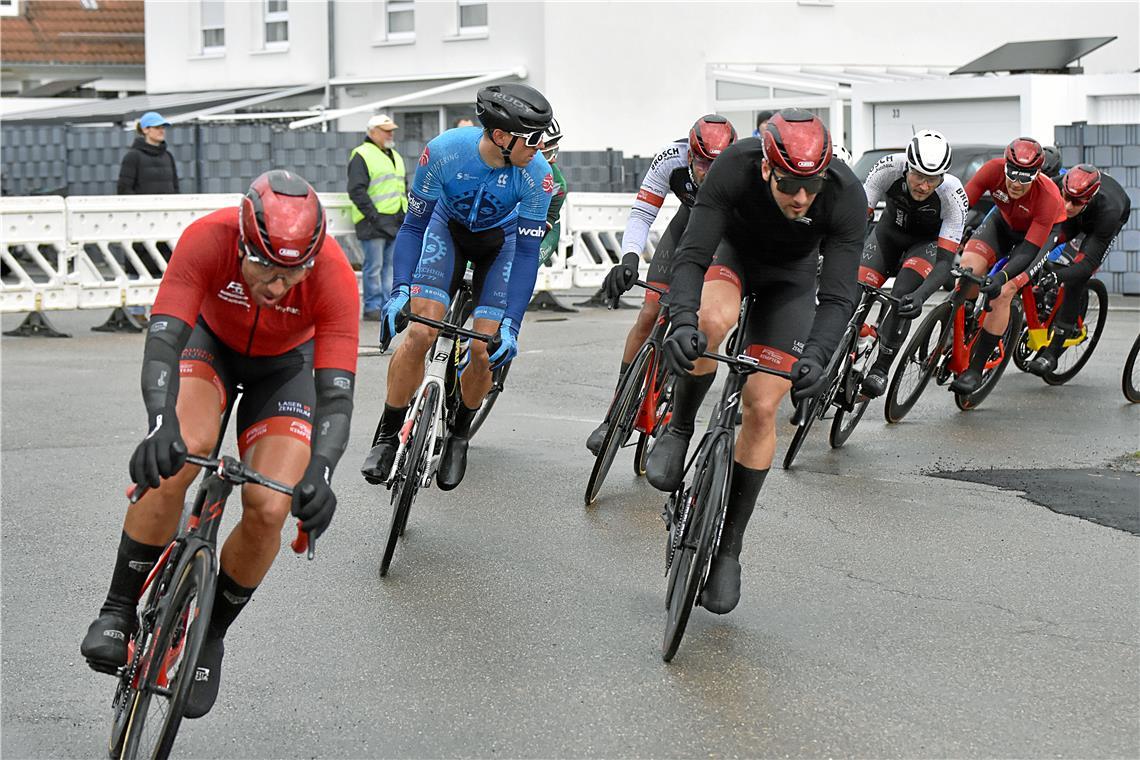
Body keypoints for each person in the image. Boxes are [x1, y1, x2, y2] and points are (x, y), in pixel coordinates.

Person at [80, 170, 360, 719]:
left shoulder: (332, 276)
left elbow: (336, 395)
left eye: (292, 273)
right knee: (181, 455)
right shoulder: (207, 238)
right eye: (263, 267)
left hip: (285, 369)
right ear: (241, 242)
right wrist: (160, 424)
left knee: (270, 505)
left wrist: (322, 471)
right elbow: (163, 341)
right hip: (209, 347)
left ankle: (209, 634)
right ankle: (117, 609)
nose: (277, 286)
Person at [644, 109, 866, 613]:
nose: (802, 199)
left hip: (791, 279)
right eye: (790, 185)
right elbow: (692, 255)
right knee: (709, 324)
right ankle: (679, 429)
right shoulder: (734, 168)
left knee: (764, 405)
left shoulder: (846, 196)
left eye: (813, 186)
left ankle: (729, 548)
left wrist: (818, 356)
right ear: (767, 168)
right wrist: (680, 321)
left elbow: (837, 296)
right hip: (731, 254)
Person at [360, 84, 555, 491]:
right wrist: (399, 290)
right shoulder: (445, 151)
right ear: (501, 137)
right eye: (534, 137)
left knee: (483, 350)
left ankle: (459, 435)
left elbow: (524, 257)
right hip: (444, 232)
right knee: (419, 332)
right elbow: (413, 226)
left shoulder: (538, 176)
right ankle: (387, 433)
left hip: (500, 247)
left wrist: (512, 326)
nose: (541, 145)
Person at [585, 114, 738, 453]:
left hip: (725, 241)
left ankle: (675, 405)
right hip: (688, 229)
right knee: (649, 311)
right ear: (689, 154)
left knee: (702, 320)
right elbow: (642, 212)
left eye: (716, 164)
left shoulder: (741, 170)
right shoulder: (671, 158)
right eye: (700, 162)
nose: (706, 172)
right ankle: (615, 413)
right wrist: (629, 258)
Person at [948, 137, 1066, 394]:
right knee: (968, 267)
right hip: (1003, 223)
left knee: (1003, 292)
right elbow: (961, 206)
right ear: (1004, 166)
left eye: (1025, 178)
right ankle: (963, 317)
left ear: (1037, 175)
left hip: (1035, 239)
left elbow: (1028, 250)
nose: (1016, 183)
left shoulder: (1048, 197)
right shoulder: (992, 169)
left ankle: (975, 370)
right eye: (1012, 174)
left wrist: (1002, 276)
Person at [857, 130, 969, 397]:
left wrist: (921, 296)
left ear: (942, 177)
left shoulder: (953, 194)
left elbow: (944, 263)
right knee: (854, 286)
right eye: (918, 175)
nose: (923, 185)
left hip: (925, 246)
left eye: (932, 179)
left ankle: (880, 369)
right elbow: (857, 222)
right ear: (906, 166)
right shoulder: (888, 168)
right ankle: (851, 341)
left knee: (903, 297)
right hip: (887, 236)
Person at [1026, 164, 1130, 375]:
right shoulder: (1056, 187)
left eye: (1074, 201)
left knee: (1076, 276)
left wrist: (1057, 276)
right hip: (1072, 220)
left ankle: (1052, 354)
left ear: (1089, 199)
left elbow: (1086, 265)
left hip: (1097, 226)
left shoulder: (1110, 211)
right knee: (1036, 247)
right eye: (1064, 196)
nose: (1066, 205)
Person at [348, 114, 408, 321]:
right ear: (372, 132)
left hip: (394, 220)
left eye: (391, 130)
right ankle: (372, 306)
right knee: (374, 267)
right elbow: (356, 190)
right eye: (386, 130)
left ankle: (385, 306)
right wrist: (374, 215)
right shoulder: (362, 154)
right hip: (373, 221)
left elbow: (402, 188)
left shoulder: (395, 156)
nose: (390, 134)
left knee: (389, 267)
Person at [117, 111, 179, 195]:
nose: (162, 131)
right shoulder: (133, 156)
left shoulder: (168, 156)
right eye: (157, 127)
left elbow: (175, 188)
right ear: (145, 129)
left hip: (166, 207)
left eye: (163, 127)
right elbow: (124, 189)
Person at [539, 119, 567, 265]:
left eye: (554, 151)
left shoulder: (557, 185)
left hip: (544, 227)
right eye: (546, 154)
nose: (553, 160)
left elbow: (535, 236)